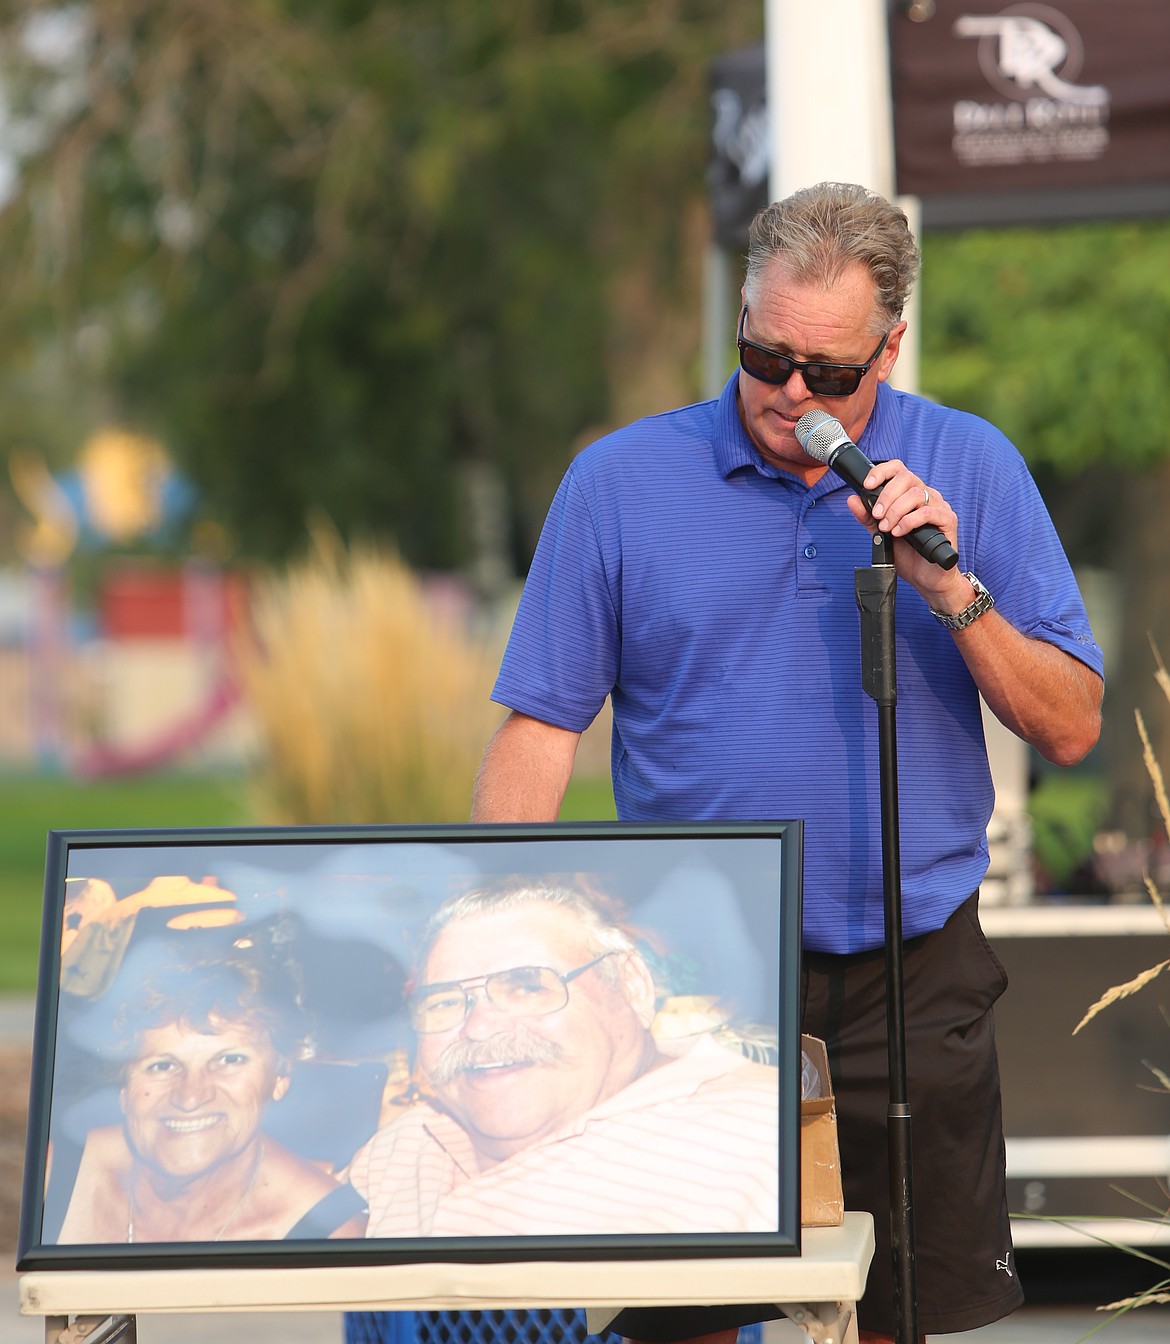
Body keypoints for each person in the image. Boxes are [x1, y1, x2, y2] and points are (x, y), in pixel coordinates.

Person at [471, 182, 1104, 1342]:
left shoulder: (970, 466)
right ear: (741, 319)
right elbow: (540, 729)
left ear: (889, 350)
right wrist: (490, 940)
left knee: (895, 1316)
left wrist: (950, 590)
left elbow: (1069, 725)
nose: (791, 395)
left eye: (829, 372)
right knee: (694, 1319)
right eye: (766, 358)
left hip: (910, 973)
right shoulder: (620, 483)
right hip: (689, 986)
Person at [346, 879, 783, 1239]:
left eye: (528, 986)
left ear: (631, 985)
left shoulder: (759, 1130)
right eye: (444, 1001)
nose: (479, 1028)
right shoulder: (404, 1143)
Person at [52, 940, 368, 1244]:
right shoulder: (53, 1173)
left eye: (230, 1061)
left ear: (279, 1079)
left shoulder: (322, 1231)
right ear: (123, 1089)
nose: (190, 1097)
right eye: (162, 1066)